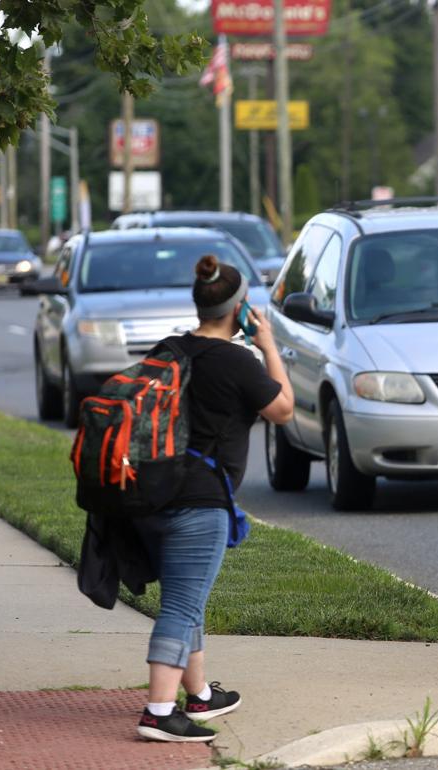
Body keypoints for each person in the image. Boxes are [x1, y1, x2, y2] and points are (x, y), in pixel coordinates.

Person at [135, 254, 293, 742]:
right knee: (181, 605)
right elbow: (283, 409)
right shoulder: (238, 361)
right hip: (199, 503)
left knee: (189, 595)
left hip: (151, 496)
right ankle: (159, 712)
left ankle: (199, 695)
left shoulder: (168, 350)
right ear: (240, 308)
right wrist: (267, 344)